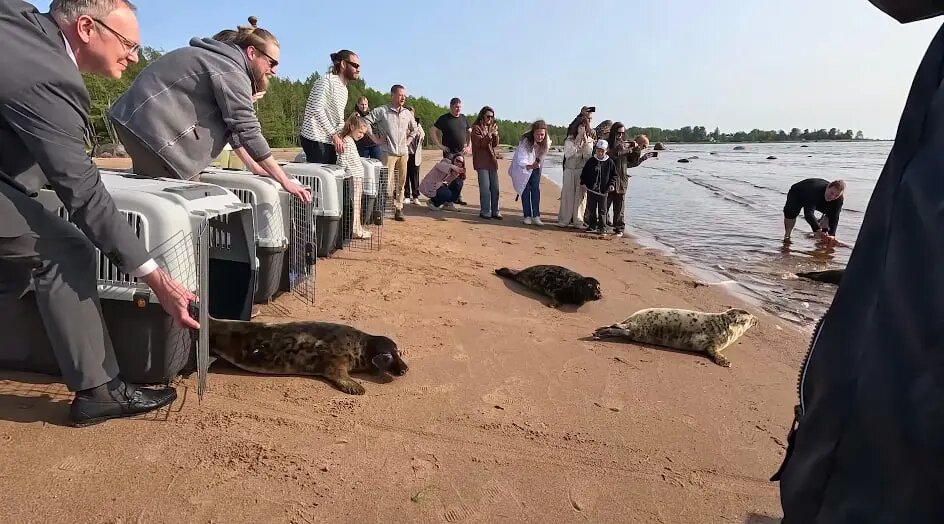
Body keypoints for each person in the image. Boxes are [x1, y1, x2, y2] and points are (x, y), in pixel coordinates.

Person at [774, 3, 944, 521]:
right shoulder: (810, 190)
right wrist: (805, 235)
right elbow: (806, 212)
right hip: (793, 202)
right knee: (793, 232)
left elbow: (834, 223)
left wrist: (831, 238)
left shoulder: (839, 199)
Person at [0, 0, 197, 427]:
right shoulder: (48, 74)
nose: (135, 56)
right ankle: (100, 390)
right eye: (128, 43)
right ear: (87, 28)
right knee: (64, 248)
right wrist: (156, 278)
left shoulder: (18, 26)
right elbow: (84, 193)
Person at [108, 16, 311, 203]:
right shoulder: (232, 70)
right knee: (177, 202)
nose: (274, 70)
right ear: (251, 52)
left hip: (136, 124)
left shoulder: (219, 62)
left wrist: (255, 167)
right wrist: (285, 181)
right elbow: (247, 129)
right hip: (152, 134)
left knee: (160, 193)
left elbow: (232, 127)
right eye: (272, 62)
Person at [363, 84, 420, 221]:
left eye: (404, 95)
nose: (403, 97)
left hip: (403, 153)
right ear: (392, 95)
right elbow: (365, 121)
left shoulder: (407, 113)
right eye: (400, 95)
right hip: (387, 153)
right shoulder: (382, 111)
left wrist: (409, 140)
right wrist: (375, 139)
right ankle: (381, 210)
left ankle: (398, 209)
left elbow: (415, 128)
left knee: (401, 183)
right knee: (386, 184)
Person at [298, 50, 361, 164]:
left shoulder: (344, 90)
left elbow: (337, 117)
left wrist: (344, 135)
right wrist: (334, 135)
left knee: (333, 175)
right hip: (315, 138)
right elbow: (317, 109)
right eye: (355, 65)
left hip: (329, 139)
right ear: (343, 64)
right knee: (321, 177)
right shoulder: (326, 81)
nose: (358, 69)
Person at [606, 127, 656, 237]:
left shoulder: (632, 148)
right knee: (607, 203)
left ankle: (618, 228)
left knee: (619, 206)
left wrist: (643, 156)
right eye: (644, 146)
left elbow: (631, 163)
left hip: (622, 178)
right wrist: (631, 148)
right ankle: (603, 224)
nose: (643, 148)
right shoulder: (623, 145)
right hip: (611, 178)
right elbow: (616, 154)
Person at [335, 114, 372, 239]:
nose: (361, 135)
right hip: (353, 178)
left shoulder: (350, 141)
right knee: (355, 206)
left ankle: (358, 227)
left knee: (358, 205)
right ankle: (355, 230)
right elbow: (342, 161)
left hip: (358, 178)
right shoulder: (346, 141)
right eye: (360, 131)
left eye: (363, 133)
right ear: (351, 127)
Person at [430, 97, 472, 205]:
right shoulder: (444, 119)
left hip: (461, 153)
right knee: (449, 175)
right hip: (449, 153)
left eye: (460, 107)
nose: (458, 109)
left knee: (460, 175)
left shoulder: (463, 118)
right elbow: (432, 130)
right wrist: (439, 145)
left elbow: (469, 131)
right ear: (451, 107)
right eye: (456, 107)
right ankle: (447, 199)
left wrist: (469, 146)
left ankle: (457, 196)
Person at [508, 120, 551, 225]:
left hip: (536, 166)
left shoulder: (547, 141)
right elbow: (521, 159)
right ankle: (527, 216)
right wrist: (530, 166)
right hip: (524, 167)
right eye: (537, 134)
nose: (540, 137)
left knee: (535, 189)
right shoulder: (526, 141)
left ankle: (536, 216)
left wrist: (537, 163)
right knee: (525, 189)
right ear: (533, 133)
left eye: (542, 135)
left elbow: (543, 154)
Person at [782, 178, 845, 244]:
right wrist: (817, 229)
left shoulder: (838, 199)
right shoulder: (815, 191)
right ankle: (787, 236)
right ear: (828, 187)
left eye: (836, 195)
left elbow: (835, 217)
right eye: (832, 193)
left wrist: (832, 234)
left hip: (820, 199)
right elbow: (808, 214)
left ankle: (824, 237)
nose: (833, 197)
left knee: (830, 215)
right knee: (791, 214)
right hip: (798, 193)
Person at [558, 112, 593, 228]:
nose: (582, 129)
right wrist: (577, 141)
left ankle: (578, 220)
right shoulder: (569, 139)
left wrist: (585, 143)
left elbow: (588, 156)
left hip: (581, 170)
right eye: (580, 126)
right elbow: (568, 154)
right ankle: (564, 219)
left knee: (580, 197)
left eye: (584, 127)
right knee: (567, 195)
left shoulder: (589, 141)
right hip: (569, 169)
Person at [470, 106, 503, 219]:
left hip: (491, 162)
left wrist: (495, 134)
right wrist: (489, 134)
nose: (490, 119)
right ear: (482, 116)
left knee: (495, 188)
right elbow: (481, 144)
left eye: (492, 117)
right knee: (485, 188)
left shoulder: (489, 128)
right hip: (481, 162)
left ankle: (495, 211)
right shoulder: (476, 128)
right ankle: (485, 211)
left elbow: (494, 144)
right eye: (488, 116)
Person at [580, 140, 618, 234]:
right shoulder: (591, 161)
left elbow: (614, 175)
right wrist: (583, 183)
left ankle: (602, 228)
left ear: (606, 150)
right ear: (595, 150)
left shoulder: (610, 162)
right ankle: (592, 226)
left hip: (603, 191)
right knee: (591, 209)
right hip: (591, 190)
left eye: (602, 150)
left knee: (603, 211)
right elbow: (584, 173)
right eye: (598, 150)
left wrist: (611, 185)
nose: (600, 152)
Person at [403, 107, 426, 205]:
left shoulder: (417, 124)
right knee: (405, 175)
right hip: (406, 153)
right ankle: (407, 196)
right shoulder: (403, 123)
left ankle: (415, 196)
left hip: (415, 154)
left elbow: (422, 135)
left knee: (415, 176)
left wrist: (416, 130)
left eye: (411, 114)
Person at [353, 96, 383, 160]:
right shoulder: (354, 115)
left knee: (378, 163)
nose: (364, 106)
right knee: (364, 164)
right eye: (362, 104)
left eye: (365, 104)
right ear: (358, 105)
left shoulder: (372, 114)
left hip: (374, 144)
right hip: (361, 145)